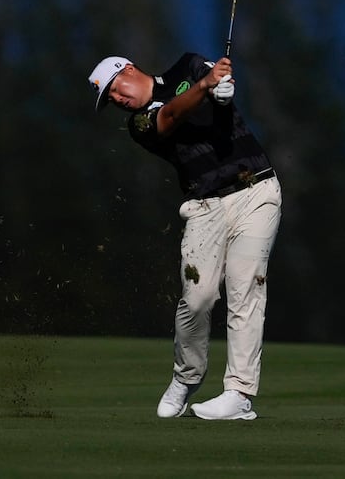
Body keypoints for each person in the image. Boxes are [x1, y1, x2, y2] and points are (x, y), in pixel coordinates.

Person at [87, 51, 282, 421]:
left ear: (129, 69)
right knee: (198, 298)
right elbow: (172, 115)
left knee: (246, 288)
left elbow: (218, 88)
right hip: (204, 206)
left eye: (113, 90)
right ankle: (187, 377)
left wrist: (223, 87)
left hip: (255, 190)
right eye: (110, 100)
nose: (116, 100)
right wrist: (208, 86)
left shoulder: (187, 67)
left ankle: (238, 393)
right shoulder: (139, 124)